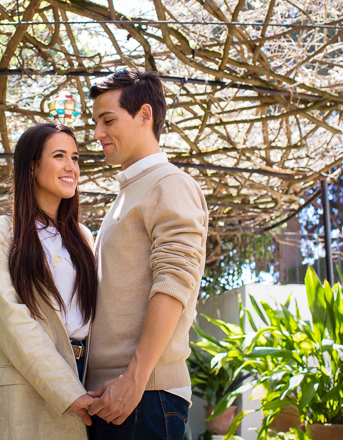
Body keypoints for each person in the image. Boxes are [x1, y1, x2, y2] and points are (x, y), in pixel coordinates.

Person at [85, 70, 209, 440]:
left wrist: (134, 380)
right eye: (95, 122)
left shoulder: (170, 184)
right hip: (117, 395)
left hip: (144, 397)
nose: (97, 134)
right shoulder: (128, 193)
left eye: (108, 120)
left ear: (144, 115)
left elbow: (174, 283)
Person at [0, 122, 98, 440]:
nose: (71, 166)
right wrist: (67, 389)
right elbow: (9, 318)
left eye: (76, 157)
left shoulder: (84, 238)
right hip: (23, 378)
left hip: (83, 373)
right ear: (32, 167)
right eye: (59, 156)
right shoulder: (1, 232)